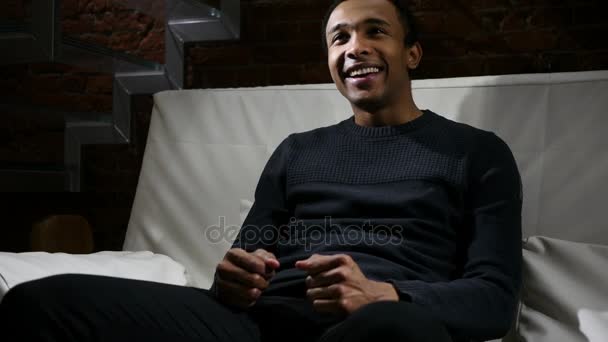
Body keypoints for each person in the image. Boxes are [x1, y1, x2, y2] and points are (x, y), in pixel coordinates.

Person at [0, 0, 522, 341]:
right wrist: (234, 280)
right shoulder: (298, 151)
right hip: (258, 324)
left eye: (374, 32)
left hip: (378, 323)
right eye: (338, 39)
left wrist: (385, 293)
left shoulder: (476, 153)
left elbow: (494, 299)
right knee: (43, 302)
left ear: (412, 53)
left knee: (392, 330)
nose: (354, 47)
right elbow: (247, 260)